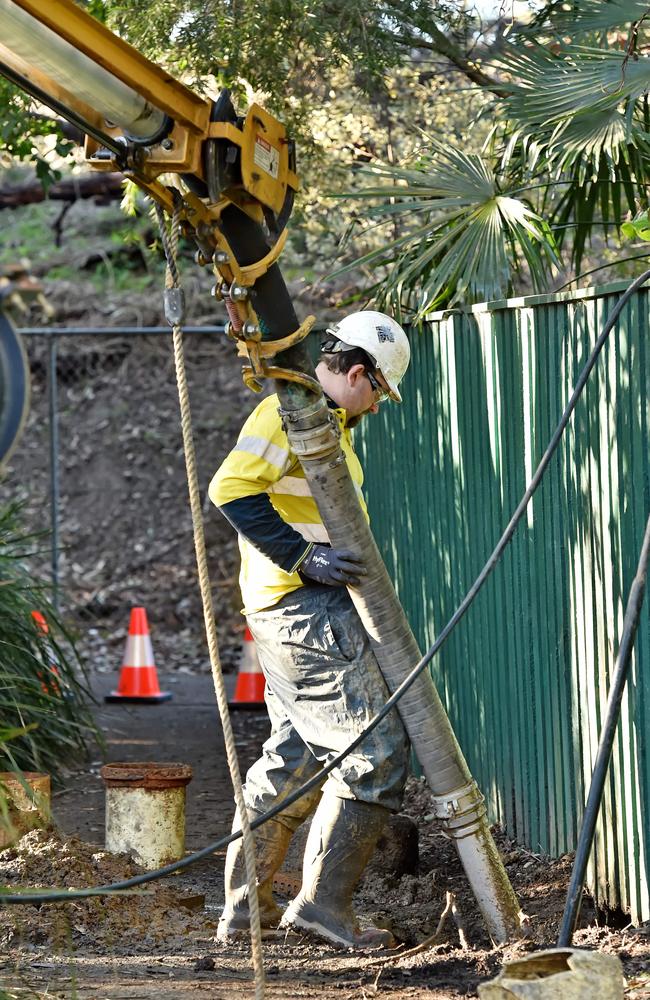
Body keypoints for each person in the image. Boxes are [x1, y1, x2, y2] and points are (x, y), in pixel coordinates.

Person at [209, 310, 411, 949]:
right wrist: (305, 558)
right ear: (357, 374)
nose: (378, 407)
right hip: (302, 611)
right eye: (379, 391)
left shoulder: (325, 424)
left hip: (294, 614)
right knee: (376, 756)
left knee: (294, 759)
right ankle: (323, 908)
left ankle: (247, 912)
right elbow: (230, 490)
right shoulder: (288, 415)